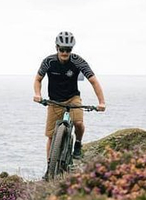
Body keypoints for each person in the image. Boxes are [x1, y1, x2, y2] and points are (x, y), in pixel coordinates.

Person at [33, 31, 106, 163]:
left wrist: (101, 102)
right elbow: (38, 79)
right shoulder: (49, 61)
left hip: (73, 99)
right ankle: (50, 167)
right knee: (50, 136)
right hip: (54, 101)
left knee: (78, 123)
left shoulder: (78, 61)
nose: (65, 52)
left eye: (68, 49)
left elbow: (94, 81)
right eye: (62, 49)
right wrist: (38, 94)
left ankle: (77, 143)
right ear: (57, 48)